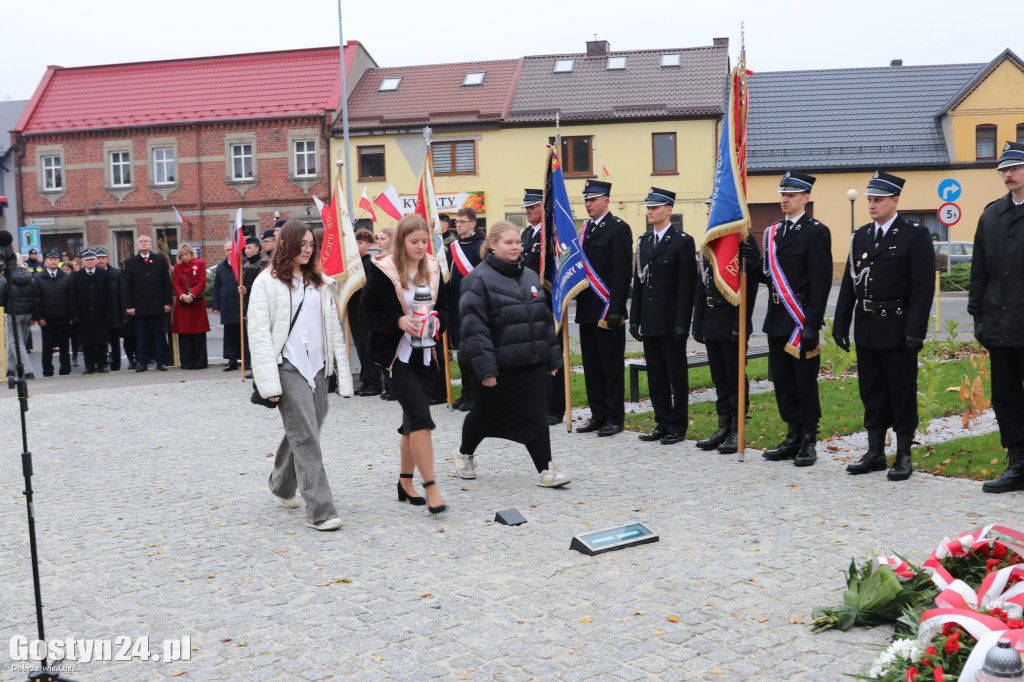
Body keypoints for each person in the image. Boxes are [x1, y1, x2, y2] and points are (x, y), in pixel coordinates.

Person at [248, 220, 352, 531]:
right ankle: (321, 511)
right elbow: (259, 334)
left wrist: (341, 374)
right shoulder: (266, 282)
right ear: (286, 245)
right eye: (302, 244)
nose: (308, 249)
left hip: (317, 366)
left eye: (311, 244)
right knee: (306, 436)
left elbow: (333, 329)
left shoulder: (319, 280)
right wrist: (268, 384)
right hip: (286, 366)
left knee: (307, 428)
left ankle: (281, 484)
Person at [453, 221, 571, 486]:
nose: (516, 247)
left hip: (531, 363)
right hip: (497, 366)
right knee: (484, 416)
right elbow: (474, 328)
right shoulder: (477, 280)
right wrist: (486, 369)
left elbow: (543, 320)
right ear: (492, 245)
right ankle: (464, 453)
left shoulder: (529, 275)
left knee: (536, 414)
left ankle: (546, 470)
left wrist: (552, 358)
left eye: (518, 242)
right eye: (509, 242)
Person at [834, 172, 934, 481]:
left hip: (898, 326)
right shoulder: (860, 236)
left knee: (901, 392)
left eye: (878, 200)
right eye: (869, 200)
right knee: (872, 391)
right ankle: (875, 452)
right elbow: (850, 285)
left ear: (895, 201)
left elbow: (923, 286)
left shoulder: (913, 235)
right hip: (867, 327)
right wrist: (841, 323)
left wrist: (915, 330)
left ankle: (903, 454)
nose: (872, 205)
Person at [359, 215, 449, 514]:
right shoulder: (383, 270)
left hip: (427, 356)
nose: (421, 247)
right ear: (401, 242)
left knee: (412, 422)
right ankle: (432, 486)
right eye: (414, 242)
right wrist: (398, 320)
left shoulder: (434, 269)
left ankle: (405, 480)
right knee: (422, 419)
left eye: (425, 241)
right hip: (396, 358)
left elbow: (446, 310)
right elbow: (366, 314)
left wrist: (438, 322)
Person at [755, 171, 832, 467]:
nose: (784, 200)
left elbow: (821, 281)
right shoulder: (773, 232)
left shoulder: (816, 231)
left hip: (801, 321)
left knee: (804, 382)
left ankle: (809, 440)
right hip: (777, 317)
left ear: (805, 198)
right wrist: (747, 255)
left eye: (791, 195)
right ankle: (792, 435)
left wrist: (812, 323)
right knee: (783, 382)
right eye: (782, 195)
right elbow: (767, 274)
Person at [969, 142, 1024, 493]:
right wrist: (978, 318)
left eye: (1015, 168)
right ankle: (1018, 463)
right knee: (1006, 396)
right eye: (1004, 169)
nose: (1008, 174)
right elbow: (979, 272)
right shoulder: (991, 215)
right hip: (1001, 327)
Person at [629, 188, 698, 445]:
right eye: (648, 207)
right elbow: (639, 283)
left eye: (655, 207)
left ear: (668, 209)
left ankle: (677, 426)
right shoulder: (643, 242)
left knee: (676, 376)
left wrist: (682, 322)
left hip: (671, 322)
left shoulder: (682, 241)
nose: (650, 212)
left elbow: (686, 286)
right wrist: (635, 318)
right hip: (650, 319)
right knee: (656, 374)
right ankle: (662, 422)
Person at [693, 201, 761, 454]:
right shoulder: (710, 239)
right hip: (712, 319)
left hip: (733, 319)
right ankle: (723, 426)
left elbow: (752, 281)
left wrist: (741, 322)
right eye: (708, 206)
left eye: (713, 206)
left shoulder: (741, 238)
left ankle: (736, 428)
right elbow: (703, 283)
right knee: (719, 378)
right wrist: (697, 320)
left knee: (734, 377)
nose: (708, 210)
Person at [575, 180, 632, 437]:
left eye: (593, 200)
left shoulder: (618, 229)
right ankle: (598, 415)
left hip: (608, 309)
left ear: (606, 201)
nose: (588, 204)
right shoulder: (584, 229)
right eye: (586, 201)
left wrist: (617, 309)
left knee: (610, 366)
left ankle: (614, 417)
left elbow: (622, 272)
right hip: (587, 308)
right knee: (592, 366)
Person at [520, 188, 566, 425]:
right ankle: (537, 404)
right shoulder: (527, 233)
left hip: (547, 305)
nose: (527, 211)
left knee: (552, 357)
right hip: (529, 306)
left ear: (544, 208)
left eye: (532, 207)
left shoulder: (551, 236)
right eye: (525, 207)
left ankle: (555, 408)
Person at [448, 207, 487, 412]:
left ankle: (476, 396)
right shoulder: (452, 247)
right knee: (463, 354)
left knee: (474, 353)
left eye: (462, 221)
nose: (458, 225)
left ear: (473, 223)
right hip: (456, 305)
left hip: (474, 306)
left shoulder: (482, 246)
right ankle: (465, 393)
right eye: (457, 221)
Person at [122, 234, 172, 372]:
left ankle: (161, 361)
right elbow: (127, 286)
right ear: (138, 245)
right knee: (141, 335)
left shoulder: (160, 260)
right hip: (139, 306)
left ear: (150, 245)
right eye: (141, 242)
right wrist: (129, 305)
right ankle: (141, 362)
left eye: (146, 241)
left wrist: (167, 302)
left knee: (159, 335)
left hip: (157, 304)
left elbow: (166, 283)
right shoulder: (130, 262)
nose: (143, 243)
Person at [70, 249, 116, 374]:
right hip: (83, 313)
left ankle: (102, 365)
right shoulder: (76, 276)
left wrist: (110, 313)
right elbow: (73, 297)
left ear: (95, 260)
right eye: (87, 260)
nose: (90, 262)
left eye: (92, 259)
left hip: (101, 313)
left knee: (101, 341)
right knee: (87, 342)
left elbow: (110, 295)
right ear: (83, 262)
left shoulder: (104, 274)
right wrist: (74, 315)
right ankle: (89, 366)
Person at [350, 228, 381, 396]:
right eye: (355, 242)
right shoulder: (354, 265)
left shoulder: (370, 264)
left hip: (366, 311)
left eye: (360, 242)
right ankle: (366, 380)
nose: (356, 245)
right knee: (360, 347)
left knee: (368, 346)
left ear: (369, 245)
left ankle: (374, 382)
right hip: (354, 309)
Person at [171, 243, 211, 369]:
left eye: (186, 254)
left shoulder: (200, 264)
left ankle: (200, 362)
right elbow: (176, 284)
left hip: (196, 303)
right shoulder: (177, 267)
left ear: (191, 253)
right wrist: (183, 296)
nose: (185, 257)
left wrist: (192, 294)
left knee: (198, 333)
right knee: (184, 334)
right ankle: (187, 363)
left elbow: (202, 281)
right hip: (183, 304)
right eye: (182, 255)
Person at [1, 258, 40, 379]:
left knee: (15, 341)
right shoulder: (31, 277)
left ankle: (28, 371)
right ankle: (10, 369)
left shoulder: (5, 278)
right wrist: (34, 315)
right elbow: (36, 297)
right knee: (16, 340)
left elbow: (2, 297)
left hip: (13, 313)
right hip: (27, 313)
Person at [36, 250, 73, 376]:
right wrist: (39, 317)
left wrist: (72, 316)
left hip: (63, 317)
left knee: (64, 346)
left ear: (58, 261)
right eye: (50, 259)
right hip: (47, 319)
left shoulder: (66, 277)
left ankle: (65, 369)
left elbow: (71, 298)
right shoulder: (38, 277)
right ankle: (47, 370)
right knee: (47, 347)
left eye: (55, 259)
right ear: (45, 262)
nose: (53, 261)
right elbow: (36, 299)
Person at [212, 241, 242, 371]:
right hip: (227, 306)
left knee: (243, 334)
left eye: (231, 249)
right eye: (227, 250)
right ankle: (232, 360)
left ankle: (246, 359)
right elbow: (216, 287)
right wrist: (216, 305)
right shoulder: (221, 267)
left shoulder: (243, 264)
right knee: (230, 336)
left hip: (240, 305)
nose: (230, 252)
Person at [94, 247, 125, 371]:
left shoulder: (116, 274)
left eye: (103, 258)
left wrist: (123, 314)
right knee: (100, 341)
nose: (101, 261)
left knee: (115, 342)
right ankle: (101, 363)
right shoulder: (93, 274)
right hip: (99, 314)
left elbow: (122, 295)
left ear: (107, 259)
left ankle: (116, 365)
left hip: (114, 314)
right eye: (98, 258)